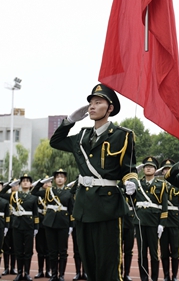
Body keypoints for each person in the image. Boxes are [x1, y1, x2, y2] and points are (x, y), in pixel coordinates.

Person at [50, 83, 138, 281]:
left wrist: (131, 182)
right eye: (91, 103)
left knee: (109, 264)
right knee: (89, 261)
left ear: (110, 108)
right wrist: (69, 121)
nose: (92, 107)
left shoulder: (122, 135)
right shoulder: (81, 136)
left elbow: (129, 169)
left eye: (98, 103)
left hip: (108, 207)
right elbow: (55, 142)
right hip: (84, 207)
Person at [34, 169, 75, 281]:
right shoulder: (48, 191)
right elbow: (34, 192)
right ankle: (53, 274)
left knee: (62, 251)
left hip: (63, 223)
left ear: (65, 179)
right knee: (52, 251)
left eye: (62, 177)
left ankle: (61, 275)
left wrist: (71, 225)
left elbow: (72, 210)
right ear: (54, 179)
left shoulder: (69, 192)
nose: (60, 179)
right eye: (57, 177)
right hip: (49, 223)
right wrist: (42, 182)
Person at [133, 156, 167, 281]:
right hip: (140, 221)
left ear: (155, 170)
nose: (148, 168)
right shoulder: (137, 183)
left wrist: (162, 224)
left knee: (154, 253)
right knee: (142, 253)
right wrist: (133, 172)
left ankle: (154, 278)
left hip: (153, 222)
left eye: (151, 167)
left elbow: (164, 207)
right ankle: (144, 278)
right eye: (146, 166)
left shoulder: (161, 185)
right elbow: (122, 185)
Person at [0, 174, 40, 281]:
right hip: (17, 225)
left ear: (31, 184)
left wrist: (36, 227)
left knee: (28, 251)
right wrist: (9, 185)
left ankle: (26, 273)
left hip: (29, 226)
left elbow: (36, 213)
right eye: (23, 181)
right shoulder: (14, 195)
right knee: (18, 250)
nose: (25, 182)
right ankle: (19, 273)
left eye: (27, 181)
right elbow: (1, 194)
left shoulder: (33, 197)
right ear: (20, 184)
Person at [159, 159, 179, 281]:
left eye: (169, 169)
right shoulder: (158, 185)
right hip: (162, 221)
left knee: (175, 250)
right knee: (164, 251)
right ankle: (166, 275)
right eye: (165, 169)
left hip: (174, 220)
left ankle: (175, 275)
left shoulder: (178, 185)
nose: (167, 171)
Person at [31, 176, 51, 279]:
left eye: (49, 182)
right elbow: (33, 192)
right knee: (40, 248)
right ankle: (40, 271)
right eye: (45, 182)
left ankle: (48, 270)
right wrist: (39, 182)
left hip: (50, 223)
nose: (47, 184)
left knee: (49, 249)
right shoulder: (39, 194)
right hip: (40, 223)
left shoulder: (53, 193)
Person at [1, 179, 20, 276]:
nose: (14, 186)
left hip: (17, 224)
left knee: (15, 247)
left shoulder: (21, 196)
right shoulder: (7, 196)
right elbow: (1, 193)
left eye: (16, 184)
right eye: (13, 185)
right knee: (6, 247)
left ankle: (13, 267)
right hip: (7, 224)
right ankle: (6, 268)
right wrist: (8, 185)